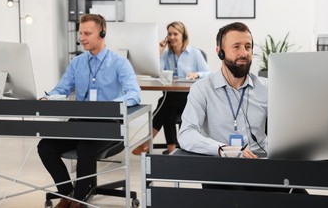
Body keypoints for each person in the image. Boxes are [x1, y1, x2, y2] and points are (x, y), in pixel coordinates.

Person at [37, 14, 141, 208]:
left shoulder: (119, 63)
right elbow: (62, 89)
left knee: (86, 147)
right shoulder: (77, 63)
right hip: (79, 123)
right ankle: (67, 193)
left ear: (102, 33)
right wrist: (48, 97)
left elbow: (134, 94)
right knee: (45, 146)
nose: (81, 38)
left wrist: (110, 106)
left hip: (108, 125)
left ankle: (78, 200)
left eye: (87, 33)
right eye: (80, 33)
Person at [178, 22, 267, 158]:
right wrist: (222, 149)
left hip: (260, 160)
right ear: (220, 52)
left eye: (248, 47)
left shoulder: (266, 87)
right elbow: (186, 134)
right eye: (236, 47)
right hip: (219, 164)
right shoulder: (202, 89)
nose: (244, 53)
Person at [133, 21, 210, 155]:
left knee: (165, 102)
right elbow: (155, 72)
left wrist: (197, 74)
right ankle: (172, 150)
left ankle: (149, 141)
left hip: (190, 98)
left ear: (183, 36)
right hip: (172, 97)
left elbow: (209, 73)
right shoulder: (166, 55)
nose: (172, 37)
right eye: (169, 34)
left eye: (176, 34)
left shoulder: (194, 53)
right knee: (168, 108)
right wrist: (159, 51)